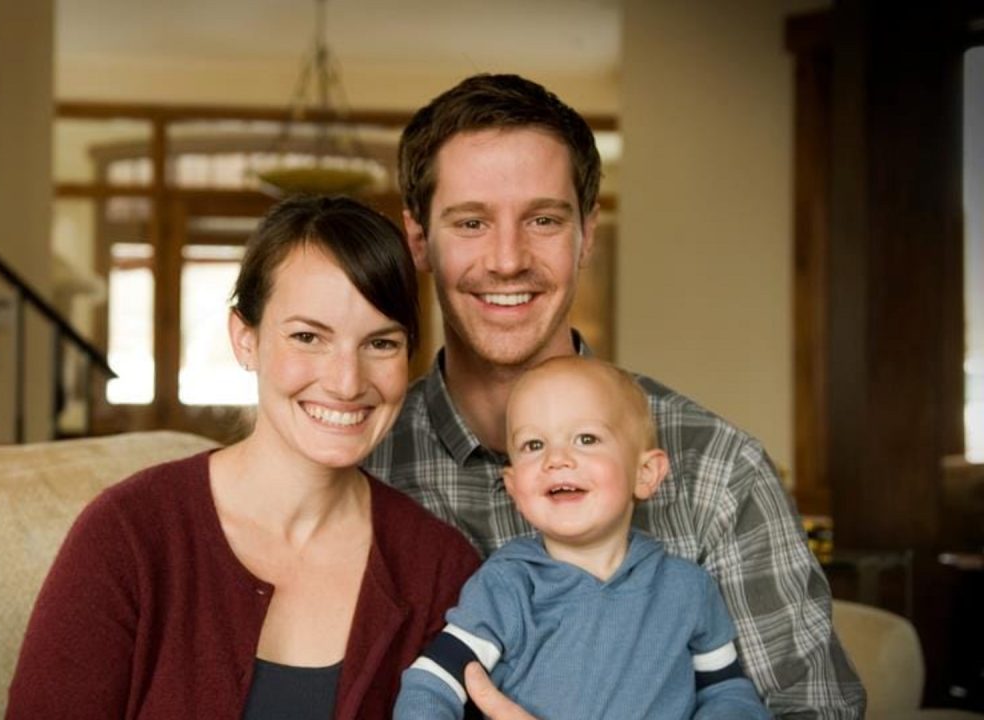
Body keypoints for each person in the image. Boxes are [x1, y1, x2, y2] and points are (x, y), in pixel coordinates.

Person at [363, 73, 866, 717]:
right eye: (471, 222)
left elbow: (813, 711)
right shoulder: (366, 465)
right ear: (417, 240)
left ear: (587, 233)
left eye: (544, 219)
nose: (509, 258)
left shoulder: (716, 470)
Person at [6, 195, 481, 719]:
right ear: (245, 339)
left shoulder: (440, 569)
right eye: (307, 336)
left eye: (381, 344)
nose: (347, 382)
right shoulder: (128, 536)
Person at [393, 356, 770, 719]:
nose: (557, 459)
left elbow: (726, 690)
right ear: (513, 487)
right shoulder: (507, 586)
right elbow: (433, 681)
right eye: (534, 445)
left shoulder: (688, 589)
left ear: (646, 473)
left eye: (586, 438)